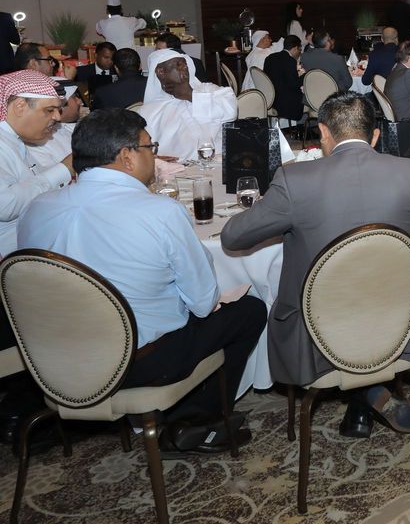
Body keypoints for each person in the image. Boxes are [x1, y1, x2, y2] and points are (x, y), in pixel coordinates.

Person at [18, 109, 266, 454]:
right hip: (137, 364)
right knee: (249, 311)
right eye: (150, 147)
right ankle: (192, 421)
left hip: (53, 361)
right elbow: (202, 303)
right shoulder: (159, 212)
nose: (154, 155)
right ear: (127, 156)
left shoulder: (36, 209)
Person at [220, 92, 410, 438]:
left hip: (315, 334)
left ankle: (365, 396)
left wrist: (274, 207)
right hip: (397, 322)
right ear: (375, 136)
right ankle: (369, 395)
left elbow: (232, 237)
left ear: (324, 133)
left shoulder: (295, 181)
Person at [0, 71, 72, 256]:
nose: (57, 117)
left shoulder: (12, 140)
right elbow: (5, 205)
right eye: (49, 110)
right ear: (20, 107)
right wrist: (64, 168)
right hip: (19, 257)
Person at [141, 49, 237, 161]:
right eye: (178, 64)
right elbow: (144, 150)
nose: (184, 67)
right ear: (161, 71)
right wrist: (156, 159)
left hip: (217, 163)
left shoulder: (208, 90)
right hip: (176, 169)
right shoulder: (149, 111)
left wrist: (189, 94)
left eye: (185, 64)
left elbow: (231, 112)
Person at [27, 89, 81, 169]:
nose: (58, 117)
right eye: (50, 110)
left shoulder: (60, 127)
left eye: (58, 109)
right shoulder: (30, 147)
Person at [264, 35, 305, 121]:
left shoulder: (270, 58)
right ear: (295, 48)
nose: (299, 53)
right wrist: (305, 75)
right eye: (299, 50)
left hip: (271, 100)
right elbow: (294, 84)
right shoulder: (290, 60)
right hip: (285, 103)